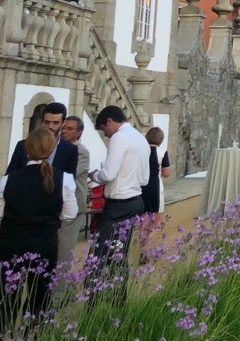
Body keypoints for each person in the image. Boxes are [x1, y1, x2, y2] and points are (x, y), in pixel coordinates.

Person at [0, 128, 76, 326]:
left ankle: (5, 331)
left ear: (27, 149)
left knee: (8, 294)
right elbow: (70, 214)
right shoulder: (64, 179)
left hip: (11, 242)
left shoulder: (8, 180)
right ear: (51, 150)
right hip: (44, 241)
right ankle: (33, 332)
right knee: (40, 294)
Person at [88, 106, 149, 302]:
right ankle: (118, 297)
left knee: (98, 254)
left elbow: (108, 173)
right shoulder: (140, 138)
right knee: (119, 252)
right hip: (136, 200)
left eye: (104, 130)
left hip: (119, 204)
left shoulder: (119, 138)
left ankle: (93, 299)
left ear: (109, 122)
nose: (106, 135)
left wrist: (94, 175)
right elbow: (145, 179)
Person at [6, 101, 78, 176]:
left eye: (55, 123)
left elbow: (70, 180)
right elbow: (10, 175)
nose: (50, 126)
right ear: (42, 122)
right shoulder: (23, 145)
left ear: (63, 123)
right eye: (47, 122)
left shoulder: (70, 150)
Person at [57, 115, 90, 267]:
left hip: (73, 205)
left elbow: (70, 174)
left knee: (65, 250)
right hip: (56, 204)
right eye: (63, 128)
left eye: (69, 129)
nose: (64, 131)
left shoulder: (81, 152)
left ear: (79, 133)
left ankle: (62, 289)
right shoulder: (56, 147)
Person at [141, 126, 171, 215]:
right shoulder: (162, 152)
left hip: (141, 183)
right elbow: (166, 173)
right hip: (155, 184)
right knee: (156, 214)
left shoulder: (141, 150)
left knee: (143, 215)